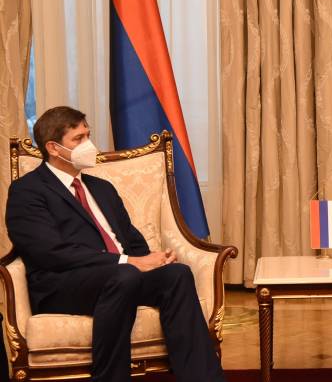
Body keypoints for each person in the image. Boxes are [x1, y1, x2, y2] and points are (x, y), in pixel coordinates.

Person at [5, 106, 225, 382]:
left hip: (121, 278)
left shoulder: (101, 188)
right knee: (125, 275)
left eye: (88, 135)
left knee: (176, 274)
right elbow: (49, 253)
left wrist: (154, 260)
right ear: (53, 148)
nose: (89, 145)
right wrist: (128, 262)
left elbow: (131, 240)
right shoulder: (27, 191)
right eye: (78, 138)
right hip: (63, 285)